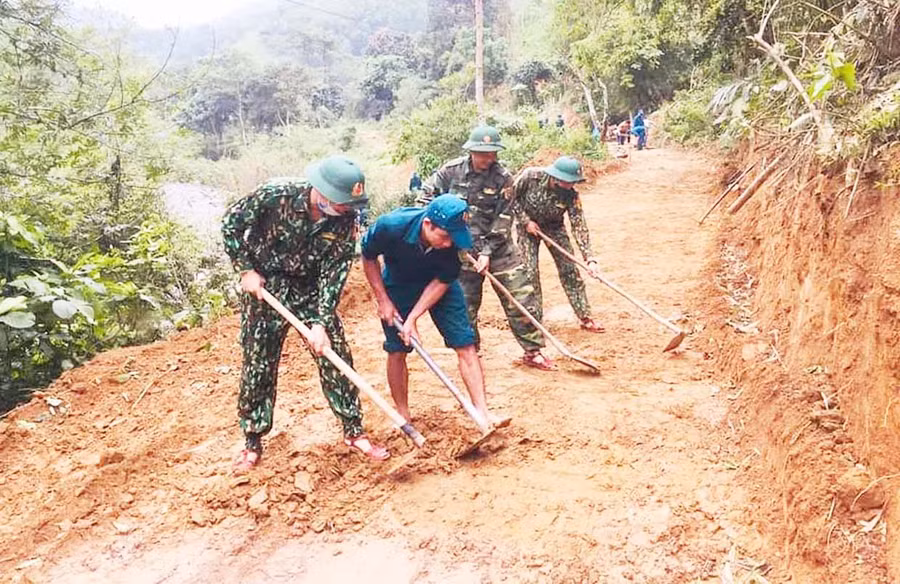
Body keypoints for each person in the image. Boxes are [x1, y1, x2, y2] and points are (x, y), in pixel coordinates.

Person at [222, 155, 390, 472]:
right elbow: (230, 225)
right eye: (342, 204)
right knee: (258, 363)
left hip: (310, 289)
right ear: (322, 192)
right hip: (265, 286)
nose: (347, 210)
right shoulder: (275, 194)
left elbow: (335, 273)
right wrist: (245, 270)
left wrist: (320, 322)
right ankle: (252, 440)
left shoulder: (344, 222)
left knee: (334, 355)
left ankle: (353, 431)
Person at [361, 194, 506, 426]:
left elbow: (443, 281)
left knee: (465, 344)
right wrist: (383, 300)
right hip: (398, 283)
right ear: (428, 224)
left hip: (440, 284)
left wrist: (413, 318)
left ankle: (482, 413)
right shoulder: (391, 226)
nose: (449, 243)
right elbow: (368, 257)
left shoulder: (454, 241)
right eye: (445, 236)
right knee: (397, 349)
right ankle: (403, 414)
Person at [419, 125, 555, 371]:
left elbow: (504, 217)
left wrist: (487, 252)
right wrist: (442, 232)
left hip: (499, 249)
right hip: (460, 252)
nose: (488, 159)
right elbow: (424, 200)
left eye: (492, 153)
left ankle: (532, 351)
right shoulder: (449, 173)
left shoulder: (504, 178)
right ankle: (472, 352)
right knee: (464, 305)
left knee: (521, 297)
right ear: (471, 151)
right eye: (483, 153)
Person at [512, 156, 604, 333]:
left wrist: (589, 258)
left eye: (573, 182)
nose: (570, 185)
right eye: (566, 181)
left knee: (570, 270)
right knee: (530, 272)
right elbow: (511, 198)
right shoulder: (531, 177)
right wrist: (525, 221)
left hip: (554, 228)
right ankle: (534, 321)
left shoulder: (572, 195)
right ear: (555, 176)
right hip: (528, 228)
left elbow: (579, 224)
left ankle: (585, 316)